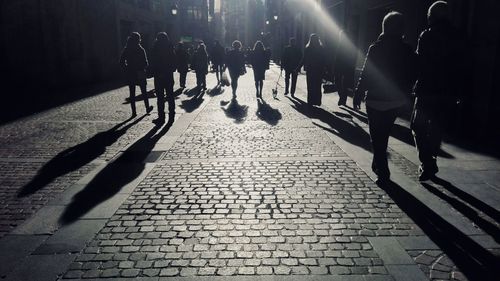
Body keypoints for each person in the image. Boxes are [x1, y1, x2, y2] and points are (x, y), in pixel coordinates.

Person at [354, 11, 417, 184]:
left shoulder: (375, 48)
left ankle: (383, 172)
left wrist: (359, 92)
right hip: (395, 100)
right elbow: (414, 73)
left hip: (375, 99)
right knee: (384, 134)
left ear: (384, 27)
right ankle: (379, 165)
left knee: (377, 136)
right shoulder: (407, 50)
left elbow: (366, 73)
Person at [411, 1, 463, 181]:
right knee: (437, 128)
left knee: (417, 126)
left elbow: (419, 63)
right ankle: (430, 159)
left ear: (431, 16)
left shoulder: (427, 35)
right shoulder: (458, 37)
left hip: (427, 89)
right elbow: (462, 67)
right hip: (448, 91)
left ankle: (427, 162)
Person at [119, 32, 153, 117]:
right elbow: (146, 63)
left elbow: (121, 62)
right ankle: (147, 108)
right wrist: (142, 67)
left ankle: (134, 112)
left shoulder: (127, 49)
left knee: (132, 93)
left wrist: (127, 68)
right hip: (140, 72)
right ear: (138, 40)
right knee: (144, 92)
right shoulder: (141, 49)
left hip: (130, 72)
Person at [150, 32, 176, 124]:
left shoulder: (155, 48)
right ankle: (172, 114)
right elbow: (174, 64)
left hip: (159, 76)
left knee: (160, 98)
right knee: (170, 96)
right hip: (168, 76)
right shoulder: (170, 47)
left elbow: (153, 62)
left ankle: (161, 117)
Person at [298, 34, 327, 106]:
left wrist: (298, 67)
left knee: (311, 86)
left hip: (311, 70)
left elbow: (304, 59)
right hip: (318, 70)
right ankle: (317, 101)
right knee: (317, 86)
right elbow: (324, 60)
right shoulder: (321, 48)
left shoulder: (308, 48)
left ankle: (311, 101)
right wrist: (325, 69)